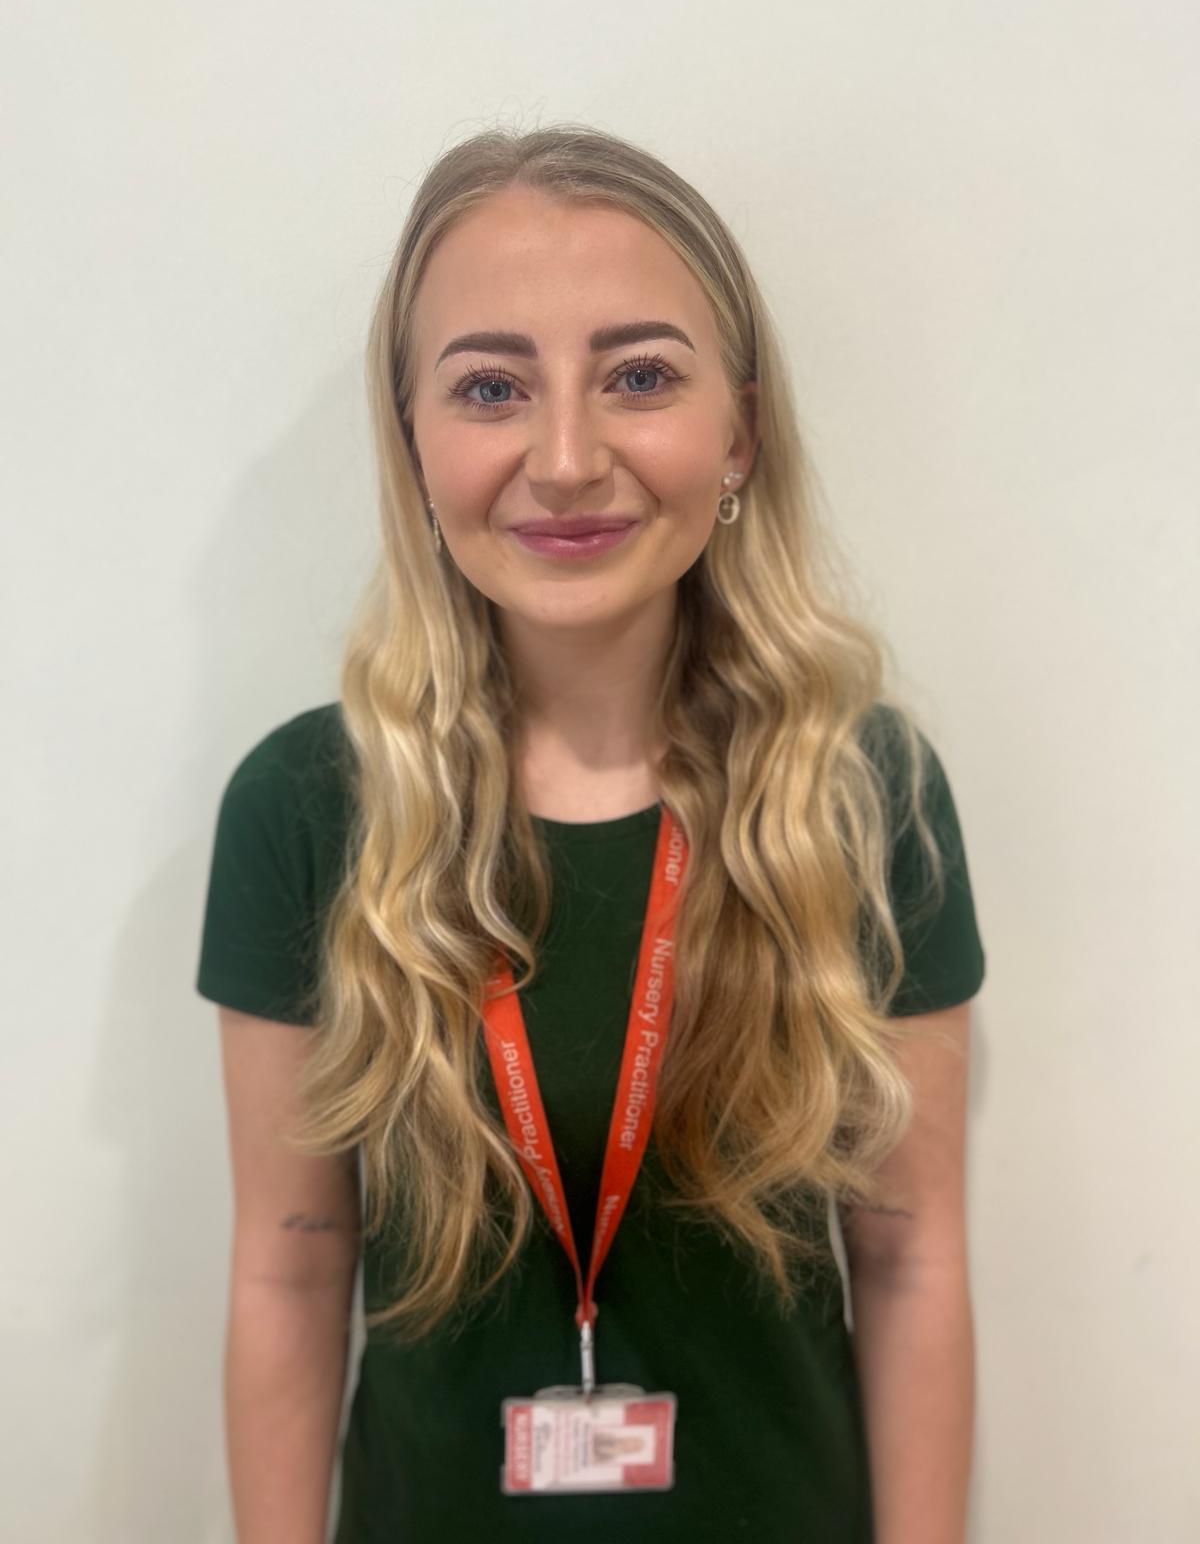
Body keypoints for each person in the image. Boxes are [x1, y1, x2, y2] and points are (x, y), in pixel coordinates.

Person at [195, 123, 986, 1544]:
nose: (565, 460)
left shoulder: (864, 793)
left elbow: (912, 1259)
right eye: (491, 387)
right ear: (413, 439)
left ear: (739, 432)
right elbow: (291, 1269)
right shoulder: (306, 807)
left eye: (639, 377)